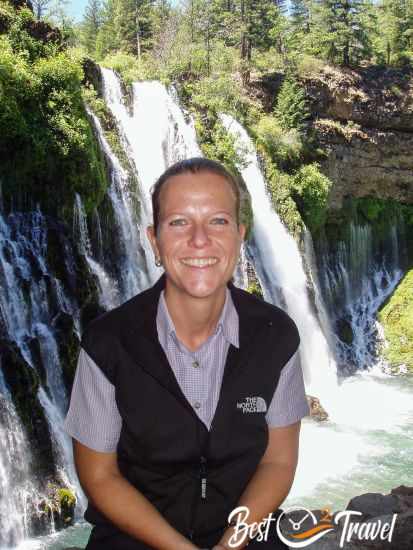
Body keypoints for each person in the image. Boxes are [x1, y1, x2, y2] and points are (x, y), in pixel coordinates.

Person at [64, 158, 310, 550]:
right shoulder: (108, 343)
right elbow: (100, 477)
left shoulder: (275, 335)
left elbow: (278, 462)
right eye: (179, 222)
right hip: (135, 538)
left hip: (248, 534)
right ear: (154, 241)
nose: (199, 240)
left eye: (218, 221)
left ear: (239, 235)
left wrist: (232, 542)